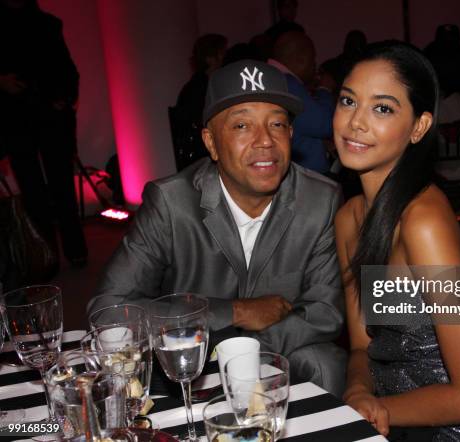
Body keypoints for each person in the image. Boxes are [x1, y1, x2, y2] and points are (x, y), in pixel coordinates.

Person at [90, 60, 346, 396]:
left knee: (326, 361)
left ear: (291, 134)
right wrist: (232, 311)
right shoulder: (171, 202)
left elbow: (325, 311)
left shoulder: (320, 199)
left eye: (278, 124)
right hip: (184, 366)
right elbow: (109, 312)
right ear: (211, 142)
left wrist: (238, 348)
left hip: (270, 356)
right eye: (242, 125)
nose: (265, 141)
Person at [333, 41, 460, 440]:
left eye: (382, 108)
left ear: (419, 126)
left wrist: (375, 410)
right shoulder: (348, 218)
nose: (356, 122)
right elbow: (360, 346)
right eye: (348, 101)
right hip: (397, 410)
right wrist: (356, 391)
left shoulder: (423, 222)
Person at [0, 0, 87, 268]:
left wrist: (64, 97)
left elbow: (65, 67)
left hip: (50, 115)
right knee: (32, 189)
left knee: (61, 185)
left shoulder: (48, 24)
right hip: (15, 118)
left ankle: (74, 250)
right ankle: (45, 257)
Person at [269, 31, 335, 174]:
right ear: (301, 59)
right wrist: (325, 89)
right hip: (307, 179)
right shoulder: (287, 84)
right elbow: (325, 124)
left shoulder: (273, 79)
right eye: (313, 60)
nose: (314, 66)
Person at [173, 34, 227, 170]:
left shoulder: (196, 86)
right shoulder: (203, 88)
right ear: (210, 58)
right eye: (221, 53)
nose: (224, 58)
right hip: (205, 157)